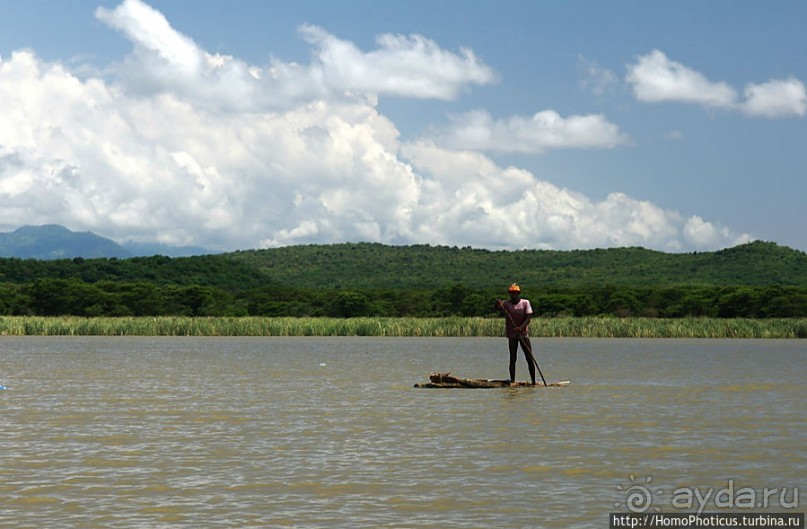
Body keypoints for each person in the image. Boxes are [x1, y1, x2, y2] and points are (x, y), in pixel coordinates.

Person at [495, 283, 537, 385]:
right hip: (512, 335)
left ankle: (533, 382)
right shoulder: (506, 304)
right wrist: (497, 304)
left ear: (519, 293)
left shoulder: (525, 303)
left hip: (523, 334)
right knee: (513, 358)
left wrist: (521, 328)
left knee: (529, 357)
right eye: (511, 293)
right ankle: (512, 381)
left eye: (515, 293)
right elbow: (498, 309)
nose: (513, 295)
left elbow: (529, 317)